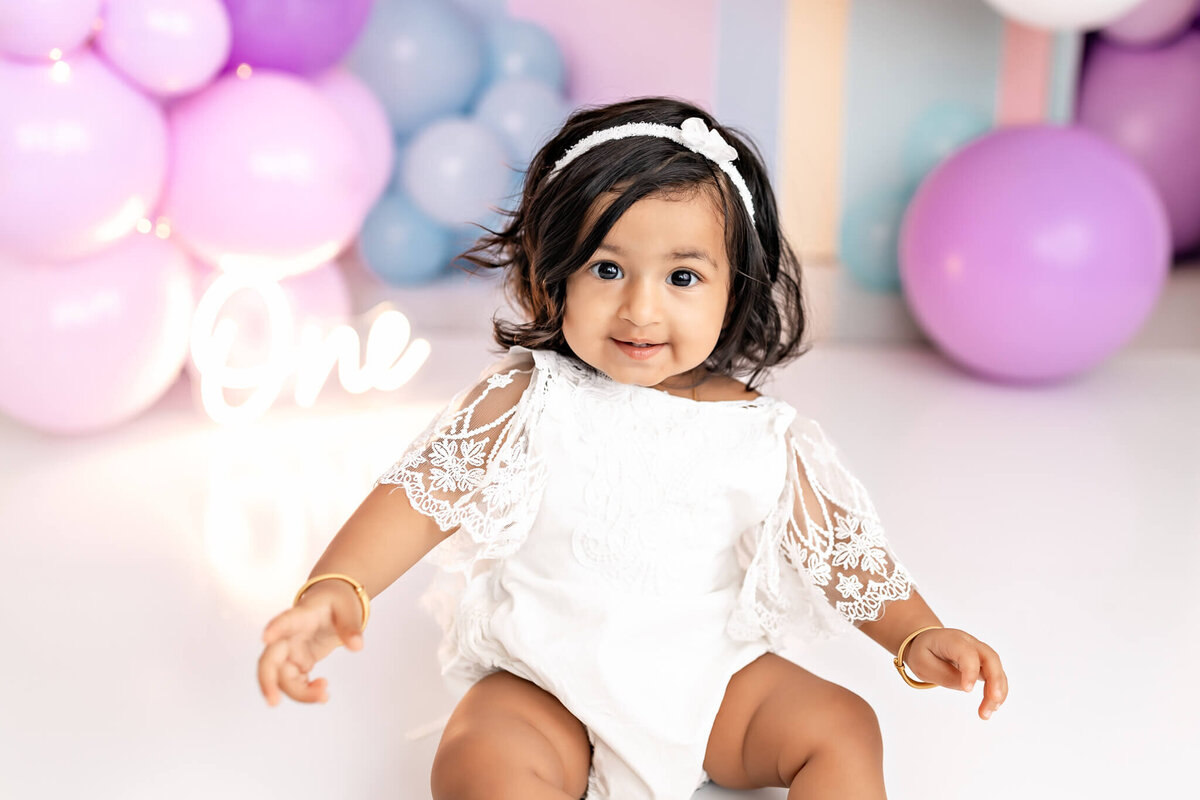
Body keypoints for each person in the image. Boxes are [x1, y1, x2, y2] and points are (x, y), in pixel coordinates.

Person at [257, 97, 1008, 800]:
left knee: (842, 727)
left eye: (683, 276)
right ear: (553, 275)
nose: (641, 308)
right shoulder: (530, 400)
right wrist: (339, 587)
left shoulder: (761, 434)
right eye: (607, 269)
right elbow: (420, 497)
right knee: (482, 752)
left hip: (712, 684)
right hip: (544, 680)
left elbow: (842, 553)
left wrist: (916, 631)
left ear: (733, 290)